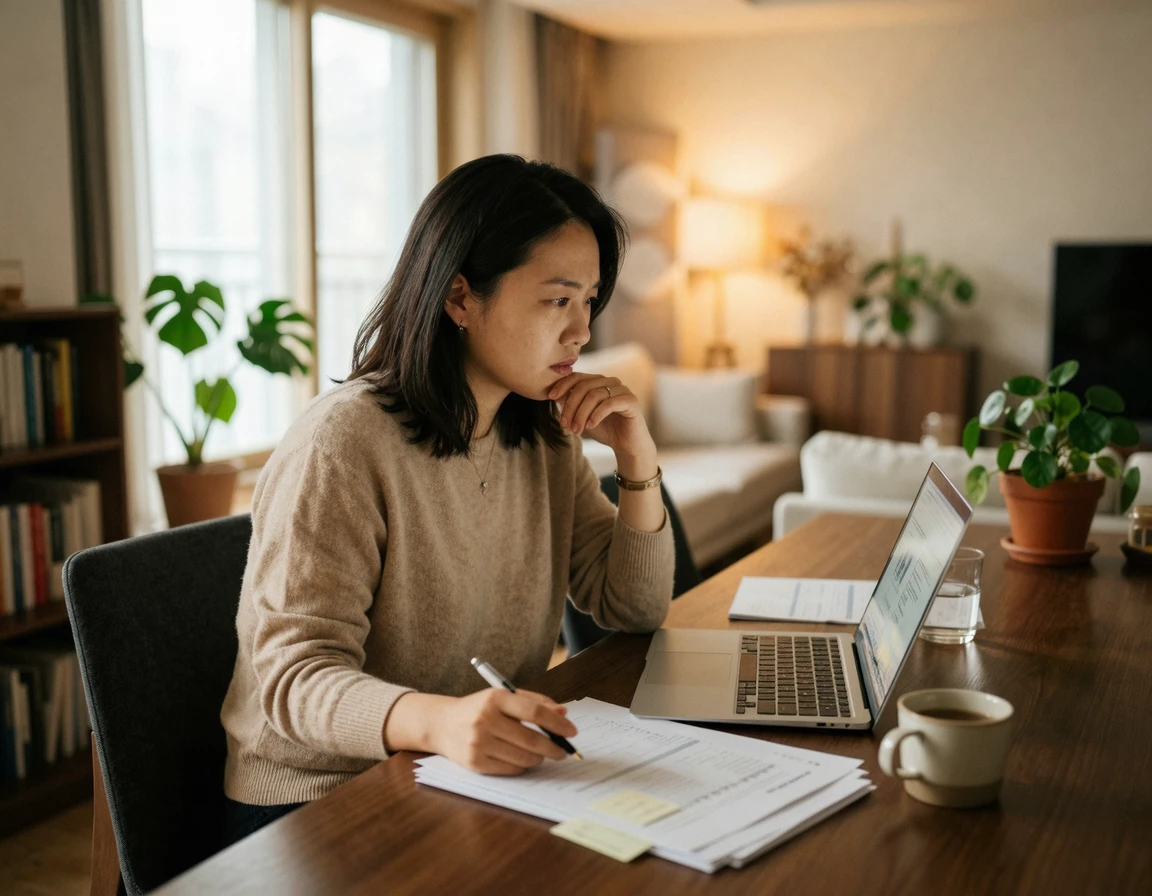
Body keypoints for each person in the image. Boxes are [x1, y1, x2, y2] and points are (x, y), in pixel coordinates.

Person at [218, 154, 675, 846]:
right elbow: (293, 680)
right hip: (319, 801)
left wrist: (638, 463)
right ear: (460, 298)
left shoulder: (543, 433)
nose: (581, 333)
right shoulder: (342, 443)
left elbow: (632, 609)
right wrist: (441, 722)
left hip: (468, 775)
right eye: (557, 300)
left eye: (588, 301)